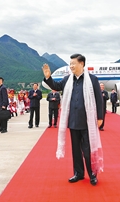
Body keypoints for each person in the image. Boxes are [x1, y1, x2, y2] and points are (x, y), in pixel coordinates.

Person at [42, 53, 103, 186]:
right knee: (76, 151)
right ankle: (78, 173)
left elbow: (99, 99)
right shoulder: (67, 79)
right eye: (70, 64)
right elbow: (56, 86)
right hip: (73, 121)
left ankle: (92, 174)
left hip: (87, 121)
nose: (71, 66)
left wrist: (100, 117)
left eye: (73, 64)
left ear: (81, 64)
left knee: (87, 150)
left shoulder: (92, 80)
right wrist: (48, 77)